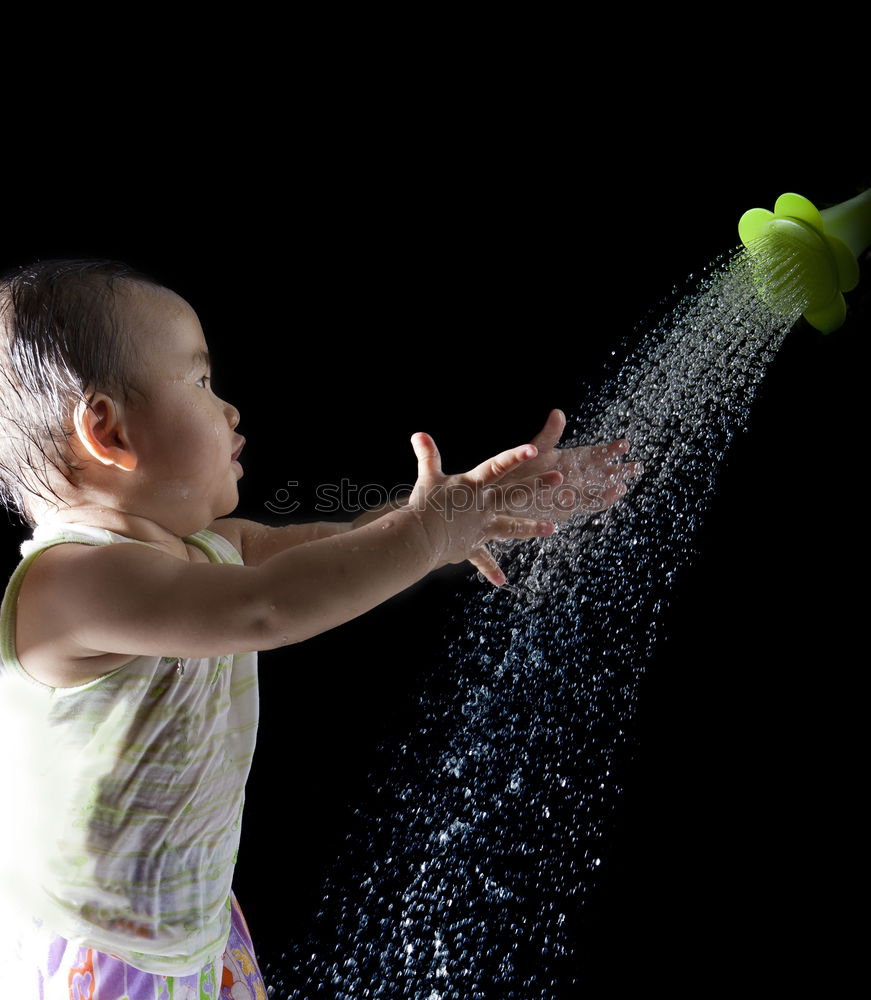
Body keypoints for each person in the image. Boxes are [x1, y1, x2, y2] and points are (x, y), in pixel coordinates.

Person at [0, 259, 639, 998]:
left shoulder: (210, 550)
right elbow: (267, 607)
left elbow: (343, 551)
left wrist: (466, 510)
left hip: (189, 926)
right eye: (202, 382)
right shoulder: (74, 581)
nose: (230, 410)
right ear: (108, 431)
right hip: (106, 957)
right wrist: (428, 533)